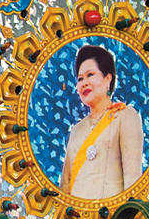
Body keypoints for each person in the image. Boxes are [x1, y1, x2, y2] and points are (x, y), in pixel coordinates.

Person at [59, 45, 144, 199]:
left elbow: (133, 182)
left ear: (108, 79)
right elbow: (65, 187)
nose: (84, 83)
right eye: (80, 79)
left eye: (90, 74)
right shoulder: (77, 130)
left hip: (111, 218)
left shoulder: (124, 117)